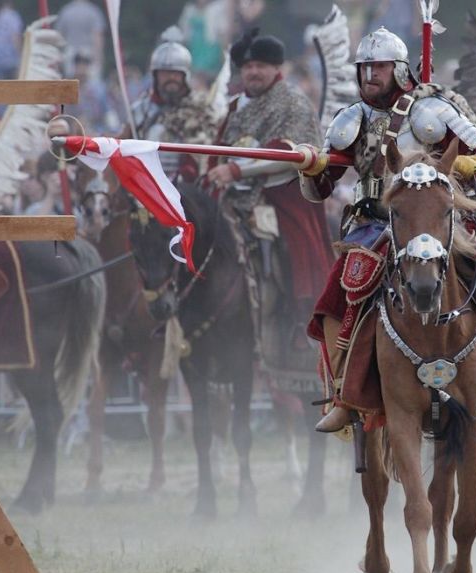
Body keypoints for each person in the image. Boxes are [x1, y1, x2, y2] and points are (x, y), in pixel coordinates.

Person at [298, 27, 476, 432]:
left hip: (438, 218)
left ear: (399, 69)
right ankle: (346, 393)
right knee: (336, 295)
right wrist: (312, 166)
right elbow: (321, 187)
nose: (369, 76)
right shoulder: (350, 119)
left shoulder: (432, 111)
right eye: (364, 67)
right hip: (376, 221)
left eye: (378, 67)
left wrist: (472, 164)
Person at [206, 28, 335, 373]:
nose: (253, 72)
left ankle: (299, 319)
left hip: (283, 195)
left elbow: (291, 155)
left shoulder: (293, 103)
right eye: (248, 67)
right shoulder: (235, 107)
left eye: (261, 65)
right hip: (231, 198)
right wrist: (215, 172)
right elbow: (216, 150)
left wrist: (236, 170)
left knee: (292, 246)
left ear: (277, 68)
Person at [128, 27, 219, 181]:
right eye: (164, 73)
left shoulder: (200, 109)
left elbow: (207, 154)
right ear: (156, 76)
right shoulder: (141, 110)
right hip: (145, 184)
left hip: (187, 190)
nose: (170, 78)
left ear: (185, 76)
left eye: (175, 73)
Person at [55, 0, 107, 79]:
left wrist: (58, 58)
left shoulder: (66, 11)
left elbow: (59, 37)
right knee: (92, 83)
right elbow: (97, 37)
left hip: (70, 52)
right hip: (89, 52)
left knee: (71, 83)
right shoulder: (94, 12)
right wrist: (99, 59)